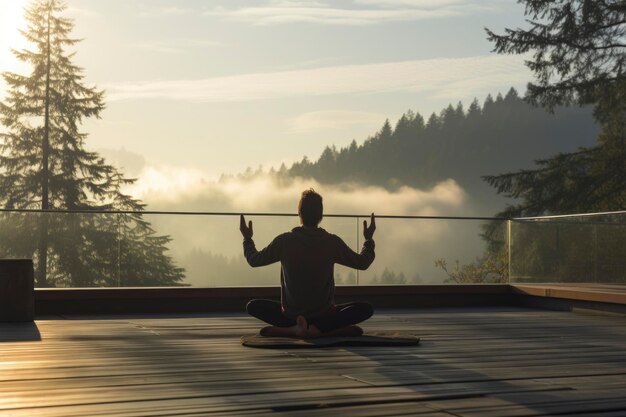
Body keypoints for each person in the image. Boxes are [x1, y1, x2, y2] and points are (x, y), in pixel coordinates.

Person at [240, 189, 376, 339]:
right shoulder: (332, 242)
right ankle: (324, 330)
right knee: (365, 309)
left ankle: (293, 329)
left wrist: (247, 239)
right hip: (325, 316)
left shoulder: (284, 241)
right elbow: (362, 263)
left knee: (253, 306)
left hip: (291, 316)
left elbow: (254, 260)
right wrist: (368, 240)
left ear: (299, 213)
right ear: (320, 216)